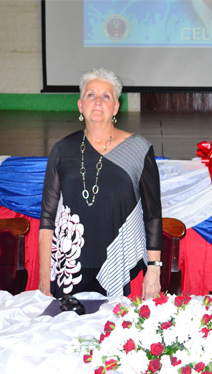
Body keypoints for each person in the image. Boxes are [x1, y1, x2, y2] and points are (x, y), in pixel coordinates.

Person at [39, 68, 162, 300]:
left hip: (123, 267)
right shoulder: (62, 150)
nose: (97, 102)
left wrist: (154, 269)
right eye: (90, 95)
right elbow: (47, 218)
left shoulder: (139, 149)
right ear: (80, 105)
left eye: (106, 96)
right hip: (71, 270)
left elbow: (153, 215)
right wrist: (44, 278)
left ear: (115, 107)